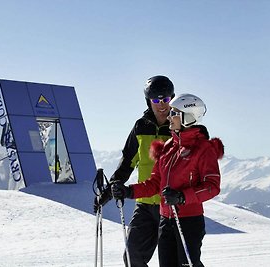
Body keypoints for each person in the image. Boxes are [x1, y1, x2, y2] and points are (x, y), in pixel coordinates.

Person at [111, 93, 224, 267]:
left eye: (174, 113)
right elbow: (155, 183)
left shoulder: (203, 149)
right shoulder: (168, 147)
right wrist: (129, 191)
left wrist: (182, 197)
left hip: (188, 221)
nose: (169, 116)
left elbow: (212, 186)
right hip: (166, 220)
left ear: (188, 117)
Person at [94, 75, 175, 267]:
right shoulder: (141, 126)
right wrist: (108, 192)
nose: (161, 105)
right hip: (145, 205)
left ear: (172, 98)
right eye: (156, 100)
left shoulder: (177, 126)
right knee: (132, 258)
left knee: (175, 261)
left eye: (166, 99)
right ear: (149, 101)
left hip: (171, 206)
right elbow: (127, 163)